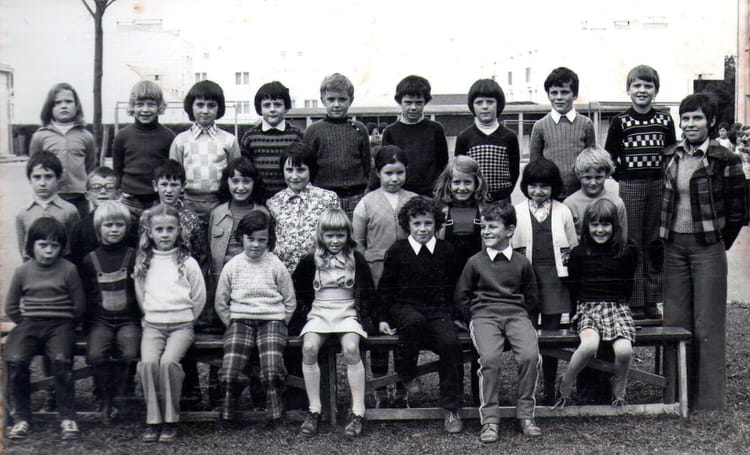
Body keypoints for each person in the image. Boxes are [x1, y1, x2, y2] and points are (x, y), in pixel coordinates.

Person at [661, 93, 748, 411]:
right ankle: (676, 395)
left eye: (697, 118)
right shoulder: (671, 154)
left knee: (708, 323)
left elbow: (739, 210)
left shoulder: (725, 159)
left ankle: (708, 401)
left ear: (710, 122)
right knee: (675, 321)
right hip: (674, 247)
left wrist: (717, 241)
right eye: (685, 118)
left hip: (708, 248)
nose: (690, 124)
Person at [376, 197, 464, 434]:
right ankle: (407, 372)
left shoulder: (446, 250)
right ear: (408, 225)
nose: (423, 229)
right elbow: (386, 288)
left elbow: (455, 286)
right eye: (417, 224)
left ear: (436, 224)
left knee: (450, 344)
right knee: (413, 323)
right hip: (405, 306)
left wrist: (456, 315)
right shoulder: (398, 250)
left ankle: (452, 408)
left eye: (428, 223)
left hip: (437, 309)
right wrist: (382, 318)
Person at [455, 202, 541, 443]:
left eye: (492, 227)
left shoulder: (521, 262)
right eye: (483, 227)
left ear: (509, 230)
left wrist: (525, 322)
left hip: (516, 316)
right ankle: (490, 420)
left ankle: (526, 415)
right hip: (484, 316)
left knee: (530, 356)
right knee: (490, 359)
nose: (486, 232)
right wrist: (473, 318)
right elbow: (462, 295)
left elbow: (532, 297)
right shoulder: (475, 262)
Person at [293, 208, 376, 437]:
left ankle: (357, 411)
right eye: (329, 236)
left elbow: (368, 292)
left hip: (347, 312)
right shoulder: (311, 260)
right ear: (321, 235)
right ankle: (314, 410)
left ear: (348, 235)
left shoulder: (356, 259)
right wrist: (302, 314)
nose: (335, 241)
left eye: (340, 235)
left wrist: (372, 318)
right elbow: (298, 290)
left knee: (351, 349)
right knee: (309, 348)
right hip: (319, 313)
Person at [604, 65, 676, 319]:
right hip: (631, 186)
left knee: (654, 243)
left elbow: (670, 155)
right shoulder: (620, 121)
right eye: (637, 85)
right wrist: (623, 177)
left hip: (657, 186)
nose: (642, 90)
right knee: (632, 242)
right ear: (628, 90)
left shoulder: (665, 120)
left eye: (648, 85)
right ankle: (634, 301)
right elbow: (609, 158)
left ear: (656, 90)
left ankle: (652, 301)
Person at [5, 217, 85, 440]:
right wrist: (25, 323)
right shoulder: (22, 271)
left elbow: (79, 305)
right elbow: (11, 306)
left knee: (61, 360)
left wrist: (69, 325)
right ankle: (21, 417)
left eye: (54, 245)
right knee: (16, 360)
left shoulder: (68, 269)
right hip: (29, 324)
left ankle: (67, 417)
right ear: (31, 245)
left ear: (61, 247)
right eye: (43, 245)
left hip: (60, 325)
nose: (49, 251)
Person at [214, 210, 296, 424]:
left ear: (269, 240)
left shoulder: (275, 265)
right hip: (240, 321)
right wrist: (231, 322)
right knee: (230, 371)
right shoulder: (233, 265)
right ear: (241, 237)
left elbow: (290, 300)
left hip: (272, 321)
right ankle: (228, 413)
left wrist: (281, 321)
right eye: (251, 239)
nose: (256, 245)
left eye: (262, 240)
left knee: (271, 369)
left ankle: (275, 413)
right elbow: (221, 301)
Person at [554, 199, 637, 409]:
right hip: (588, 309)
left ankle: (619, 386)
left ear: (615, 226)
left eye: (606, 224)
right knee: (589, 345)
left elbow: (628, 286)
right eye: (595, 224)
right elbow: (574, 288)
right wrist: (574, 315)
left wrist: (624, 310)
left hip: (616, 308)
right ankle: (565, 382)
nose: (600, 230)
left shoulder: (626, 253)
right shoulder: (579, 254)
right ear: (587, 226)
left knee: (624, 350)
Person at [134, 204, 206, 443]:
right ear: (150, 232)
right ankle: (153, 419)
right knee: (148, 364)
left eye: (170, 229)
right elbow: (140, 292)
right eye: (159, 229)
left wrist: (187, 318)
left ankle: (170, 420)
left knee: (168, 363)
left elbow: (199, 295)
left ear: (178, 231)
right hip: (153, 326)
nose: (164, 234)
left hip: (181, 327)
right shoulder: (144, 261)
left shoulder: (187, 262)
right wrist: (150, 315)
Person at [352, 145, 417, 407]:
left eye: (399, 172)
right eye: (388, 173)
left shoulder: (414, 200)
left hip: (407, 277)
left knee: (403, 331)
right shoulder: (366, 203)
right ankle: (378, 388)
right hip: (376, 275)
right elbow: (357, 243)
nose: (394, 178)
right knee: (379, 333)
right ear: (377, 172)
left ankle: (401, 389)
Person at [511, 158, 577, 404]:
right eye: (533, 185)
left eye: (544, 186)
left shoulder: (563, 211)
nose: (538, 191)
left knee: (551, 336)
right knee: (527, 337)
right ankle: (527, 390)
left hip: (554, 280)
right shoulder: (517, 211)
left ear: (554, 187)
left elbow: (572, 245)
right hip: (527, 280)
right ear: (526, 186)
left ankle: (549, 388)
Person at [78, 201, 140, 423]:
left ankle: (123, 397)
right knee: (95, 354)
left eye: (119, 225)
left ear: (127, 227)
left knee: (130, 353)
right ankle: (104, 398)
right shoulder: (90, 259)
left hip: (128, 320)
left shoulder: (134, 256)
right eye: (108, 225)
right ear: (98, 229)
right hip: (101, 321)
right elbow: (86, 294)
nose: (114, 230)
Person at [169, 80, 241, 222]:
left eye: (211, 105)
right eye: (200, 105)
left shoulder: (229, 140)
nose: (205, 111)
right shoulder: (180, 141)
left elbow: (236, 174)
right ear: (191, 106)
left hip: (220, 203)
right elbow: (173, 176)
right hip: (187, 204)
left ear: (219, 108)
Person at [266, 142, 341, 273]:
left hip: (319, 271)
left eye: (301, 170)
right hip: (284, 272)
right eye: (289, 170)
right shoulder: (274, 202)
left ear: (311, 169)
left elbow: (337, 235)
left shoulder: (328, 199)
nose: (294, 176)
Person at [303, 73, 370, 217]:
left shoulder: (359, 129)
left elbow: (367, 166)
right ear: (323, 100)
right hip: (323, 197)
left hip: (356, 197)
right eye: (331, 99)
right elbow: (307, 167)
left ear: (351, 100)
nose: (337, 104)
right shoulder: (313, 130)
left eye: (342, 99)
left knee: (355, 231)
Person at [29, 82, 97, 218]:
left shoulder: (86, 136)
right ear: (50, 107)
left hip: (80, 199)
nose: (64, 106)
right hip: (52, 197)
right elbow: (34, 169)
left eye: (68, 101)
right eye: (58, 103)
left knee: (79, 230)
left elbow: (90, 167)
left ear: (76, 106)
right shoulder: (40, 136)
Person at [529, 67, 596, 199]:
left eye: (564, 92)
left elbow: (592, 162)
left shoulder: (586, 124)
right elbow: (535, 166)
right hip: (550, 195)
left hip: (580, 194)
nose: (559, 97)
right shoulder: (539, 126)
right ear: (548, 95)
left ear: (575, 95)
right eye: (554, 93)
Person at [113, 80, 175, 217]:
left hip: (157, 201)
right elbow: (117, 170)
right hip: (129, 201)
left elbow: (171, 171)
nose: (145, 110)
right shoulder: (122, 136)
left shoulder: (168, 136)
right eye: (140, 104)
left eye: (151, 105)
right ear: (132, 106)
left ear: (159, 107)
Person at [379, 75, 449, 196]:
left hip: (430, 195)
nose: (413, 107)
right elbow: (386, 167)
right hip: (400, 194)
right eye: (408, 102)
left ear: (425, 102)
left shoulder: (436, 129)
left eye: (418, 103)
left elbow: (443, 164)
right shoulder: (390, 132)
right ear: (399, 102)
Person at [454, 78, 520, 203]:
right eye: (479, 102)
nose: (484, 107)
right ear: (472, 106)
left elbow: (514, 171)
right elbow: (459, 171)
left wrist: (504, 194)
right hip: (473, 200)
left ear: (498, 104)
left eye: (490, 102)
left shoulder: (509, 136)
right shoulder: (464, 137)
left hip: (501, 200)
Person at [240, 81, 304, 200]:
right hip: (259, 199)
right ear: (260, 108)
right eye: (267, 105)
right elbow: (245, 171)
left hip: (290, 199)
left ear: (286, 108)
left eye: (277, 105)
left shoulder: (297, 136)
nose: (272, 109)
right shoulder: (250, 136)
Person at [16, 151, 80, 259]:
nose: (42, 183)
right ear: (29, 179)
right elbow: (24, 251)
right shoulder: (22, 214)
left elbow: (75, 248)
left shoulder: (69, 211)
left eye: (48, 177)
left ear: (58, 178)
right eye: (37, 177)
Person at [434, 155, 489, 273]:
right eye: (457, 182)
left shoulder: (484, 211)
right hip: (447, 270)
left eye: (467, 182)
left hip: (477, 270)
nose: (462, 188)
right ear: (448, 184)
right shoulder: (441, 211)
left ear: (477, 183)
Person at [563, 146, 628, 240]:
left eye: (598, 177)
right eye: (587, 178)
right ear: (579, 175)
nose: (593, 183)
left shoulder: (617, 202)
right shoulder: (569, 204)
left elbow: (622, 237)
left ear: (607, 174)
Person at [69, 166, 124, 266]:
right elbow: (77, 261)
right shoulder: (80, 229)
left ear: (118, 194)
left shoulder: (126, 223)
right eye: (96, 188)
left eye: (109, 188)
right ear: (87, 195)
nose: (103, 192)